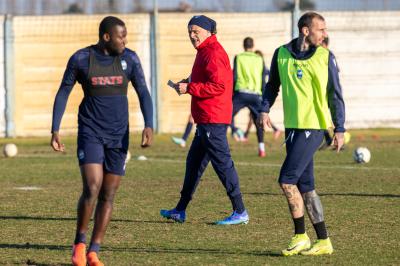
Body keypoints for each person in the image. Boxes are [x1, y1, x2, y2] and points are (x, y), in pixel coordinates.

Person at [50, 16, 153, 266]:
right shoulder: (81, 59)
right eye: (121, 36)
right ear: (106, 37)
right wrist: (55, 129)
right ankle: (79, 244)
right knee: (93, 187)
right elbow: (64, 91)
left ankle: (94, 251)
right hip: (90, 131)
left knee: (108, 193)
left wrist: (149, 124)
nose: (124, 40)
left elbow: (143, 92)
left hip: (119, 135)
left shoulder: (130, 59)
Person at [257, 11, 345, 256]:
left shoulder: (326, 57)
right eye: (321, 29)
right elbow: (272, 85)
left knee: (287, 180)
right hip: (293, 129)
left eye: (325, 30)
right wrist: (264, 110)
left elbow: (335, 95)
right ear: (306, 30)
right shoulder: (281, 54)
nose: (325, 34)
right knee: (306, 186)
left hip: (314, 127)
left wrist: (339, 128)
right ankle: (324, 240)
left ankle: (300, 236)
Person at [160, 15, 249, 225]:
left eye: (195, 31)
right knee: (193, 165)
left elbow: (219, 86)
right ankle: (180, 210)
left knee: (223, 165)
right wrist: (186, 82)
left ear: (209, 32)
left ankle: (240, 211)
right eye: (189, 32)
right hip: (205, 121)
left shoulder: (213, 52)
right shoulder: (203, 52)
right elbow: (204, 78)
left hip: (213, 119)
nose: (192, 36)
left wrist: (190, 88)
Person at [230, 37, 267, 157]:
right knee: (259, 122)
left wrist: (233, 93)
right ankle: (262, 148)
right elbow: (262, 79)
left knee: (226, 115)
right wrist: (263, 94)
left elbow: (234, 76)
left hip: (241, 92)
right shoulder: (259, 59)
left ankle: (235, 131)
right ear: (253, 45)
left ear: (243, 45)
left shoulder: (238, 57)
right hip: (255, 94)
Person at [241, 50, 282, 142]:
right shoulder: (261, 67)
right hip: (259, 94)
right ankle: (275, 129)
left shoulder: (261, 67)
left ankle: (246, 135)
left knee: (255, 115)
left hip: (261, 94)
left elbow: (270, 77)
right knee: (255, 115)